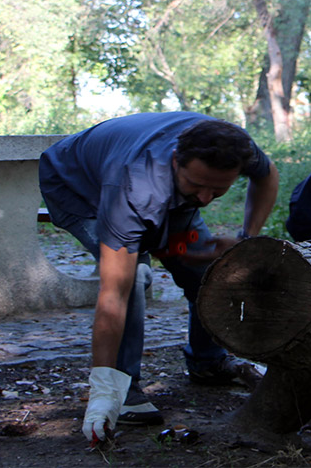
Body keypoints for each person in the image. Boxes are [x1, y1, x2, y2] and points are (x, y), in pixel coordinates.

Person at [39, 112, 280, 444]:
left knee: (209, 271)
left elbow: (267, 177)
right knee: (132, 277)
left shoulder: (238, 149)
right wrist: (101, 390)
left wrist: (246, 239)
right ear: (175, 160)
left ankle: (207, 362)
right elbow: (114, 295)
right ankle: (122, 387)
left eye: (219, 189)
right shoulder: (133, 187)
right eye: (197, 185)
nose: (207, 199)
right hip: (77, 186)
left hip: (159, 190)